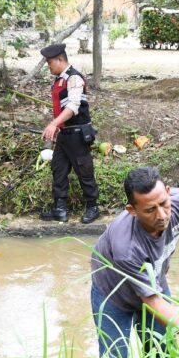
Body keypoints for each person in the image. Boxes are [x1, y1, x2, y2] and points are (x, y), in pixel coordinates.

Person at [90, 166, 179, 358]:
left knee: (164, 355)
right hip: (113, 295)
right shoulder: (126, 247)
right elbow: (151, 301)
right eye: (150, 210)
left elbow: (154, 295)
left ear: (169, 193)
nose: (161, 215)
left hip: (154, 281)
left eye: (163, 203)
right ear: (132, 210)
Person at [39, 43, 101, 224]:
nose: (48, 66)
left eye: (49, 63)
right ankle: (60, 209)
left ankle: (92, 206)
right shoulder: (59, 80)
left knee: (84, 169)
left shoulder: (74, 79)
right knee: (58, 169)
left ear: (60, 60)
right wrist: (57, 126)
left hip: (77, 133)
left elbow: (73, 107)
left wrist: (53, 124)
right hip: (64, 134)